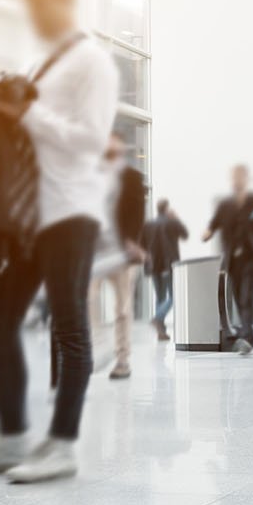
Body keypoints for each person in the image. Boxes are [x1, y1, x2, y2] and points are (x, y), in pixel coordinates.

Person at [0, 0, 118, 484]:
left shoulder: (94, 62)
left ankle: (63, 445)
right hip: (28, 215)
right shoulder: (37, 62)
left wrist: (26, 114)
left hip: (70, 210)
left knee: (68, 324)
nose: (34, 18)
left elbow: (92, 139)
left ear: (63, 3)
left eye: (40, 8)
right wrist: (4, 106)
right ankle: (10, 440)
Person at [203, 165, 253, 355]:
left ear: (246, 178)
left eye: (241, 176)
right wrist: (207, 233)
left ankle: (247, 338)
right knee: (238, 298)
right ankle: (246, 335)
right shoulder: (225, 205)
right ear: (231, 179)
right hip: (233, 261)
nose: (238, 180)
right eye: (235, 176)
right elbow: (213, 224)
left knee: (246, 299)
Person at [92, 132, 147, 381]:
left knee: (122, 308)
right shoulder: (92, 176)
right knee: (86, 300)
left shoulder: (133, 178)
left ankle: (123, 359)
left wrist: (133, 241)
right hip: (95, 253)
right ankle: (98, 346)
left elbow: (138, 213)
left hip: (122, 254)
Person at [140, 199, 188, 340]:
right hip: (169, 265)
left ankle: (161, 332)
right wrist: (177, 218)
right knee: (173, 297)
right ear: (167, 209)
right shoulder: (172, 222)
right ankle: (158, 317)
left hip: (154, 266)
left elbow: (142, 245)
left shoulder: (148, 225)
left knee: (160, 297)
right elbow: (185, 235)